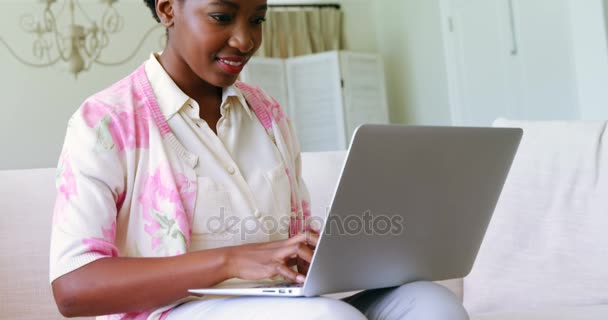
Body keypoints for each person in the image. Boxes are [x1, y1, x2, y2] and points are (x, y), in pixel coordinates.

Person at [49, 0, 470, 319]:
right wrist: (231, 260)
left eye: (257, 19)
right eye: (222, 16)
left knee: (431, 304)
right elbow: (72, 288)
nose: (244, 40)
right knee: (328, 318)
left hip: (285, 305)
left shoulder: (269, 114)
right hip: (170, 312)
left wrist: (335, 254)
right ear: (168, 8)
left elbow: (292, 243)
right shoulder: (105, 122)